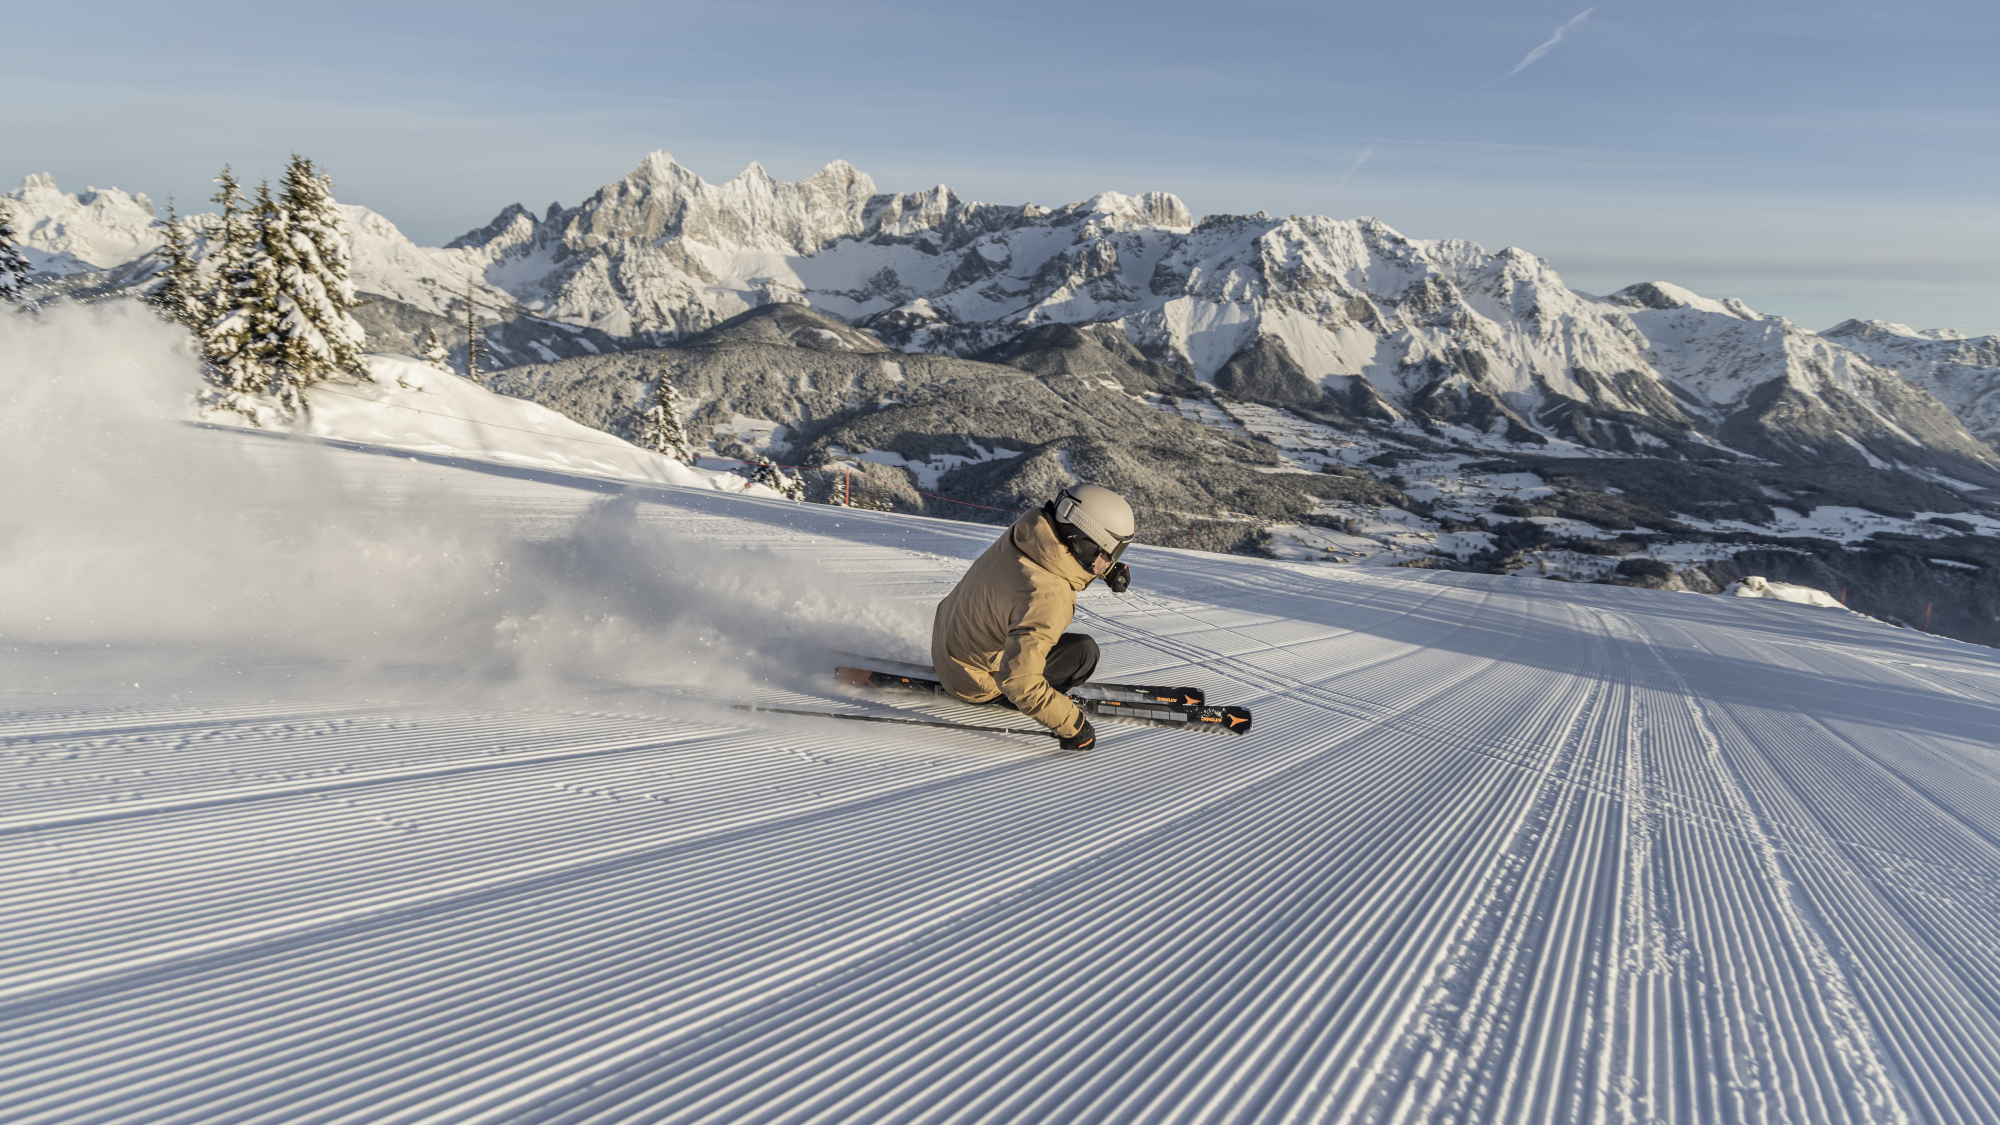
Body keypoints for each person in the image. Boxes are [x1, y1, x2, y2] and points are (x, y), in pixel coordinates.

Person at [931, 483, 1136, 750]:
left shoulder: (1026, 534)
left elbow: (1063, 549)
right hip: (976, 683)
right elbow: (1018, 680)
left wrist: (1104, 569)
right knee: (1084, 653)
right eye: (1112, 553)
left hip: (948, 640)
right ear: (1087, 543)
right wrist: (1072, 725)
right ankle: (1030, 701)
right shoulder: (1049, 596)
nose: (1112, 561)